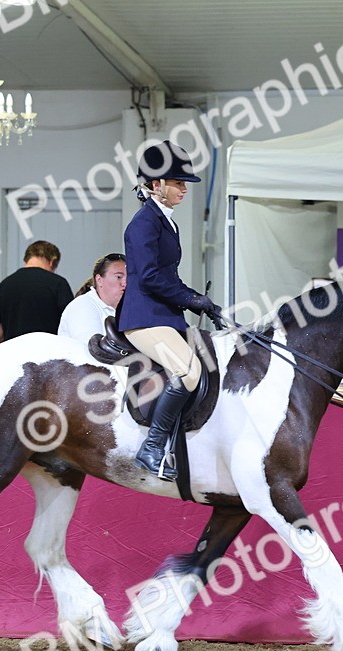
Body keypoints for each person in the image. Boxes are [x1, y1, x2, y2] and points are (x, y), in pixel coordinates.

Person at [118, 140, 224, 481]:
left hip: (163, 316)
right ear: (155, 184)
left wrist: (198, 301)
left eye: (183, 183)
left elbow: (168, 276)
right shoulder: (142, 225)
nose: (183, 188)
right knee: (189, 372)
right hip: (144, 318)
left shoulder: (167, 222)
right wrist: (194, 300)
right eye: (177, 182)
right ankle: (151, 447)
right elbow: (149, 278)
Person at [0, 240, 73, 343]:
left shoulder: (3, 286)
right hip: (48, 353)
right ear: (52, 261)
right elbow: (72, 326)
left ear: (27, 259)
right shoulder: (59, 284)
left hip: (13, 355)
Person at [57, 253, 127, 342]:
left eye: (130, 278)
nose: (125, 283)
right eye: (118, 277)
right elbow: (93, 349)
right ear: (99, 280)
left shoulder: (129, 309)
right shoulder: (82, 306)